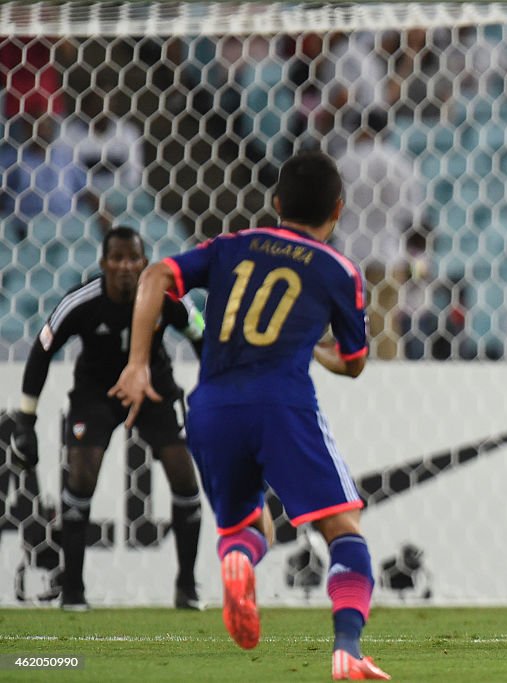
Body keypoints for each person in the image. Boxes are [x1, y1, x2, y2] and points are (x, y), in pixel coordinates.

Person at [108, 151, 389, 680]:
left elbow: (154, 276)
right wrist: (315, 349)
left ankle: (237, 559)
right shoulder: (338, 270)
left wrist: (138, 363)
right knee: (343, 531)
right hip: (282, 404)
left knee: (248, 522)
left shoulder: (230, 247)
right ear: (338, 209)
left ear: (276, 203)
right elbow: (353, 364)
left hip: (211, 406)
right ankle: (347, 650)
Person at [9, 226, 205, 611]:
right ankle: (73, 591)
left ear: (145, 262)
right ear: (103, 264)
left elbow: (200, 335)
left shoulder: (166, 297)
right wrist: (26, 419)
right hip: (96, 394)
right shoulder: (82, 301)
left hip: (153, 387)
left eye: (134, 258)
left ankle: (187, 586)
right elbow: (42, 349)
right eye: (117, 259)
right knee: (81, 476)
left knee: (184, 474)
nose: (126, 267)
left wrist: (212, 387)